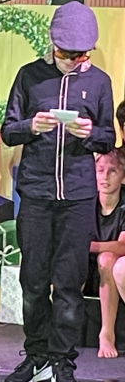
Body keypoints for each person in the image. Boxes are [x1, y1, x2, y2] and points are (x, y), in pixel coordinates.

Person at [1, 1, 115, 382]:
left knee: (68, 283)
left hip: (78, 197)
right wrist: (32, 126)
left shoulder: (99, 82)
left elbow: (108, 137)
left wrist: (91, 134)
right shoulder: (29, 76)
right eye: (68, 54)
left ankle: (62, 360)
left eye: (82, 55)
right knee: (33, 281)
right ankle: (36, 355)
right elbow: (8, 131)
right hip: (36, 193)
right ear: (53, 45)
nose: (75, 61)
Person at [86, 148, 125, 358]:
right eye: (100, 170)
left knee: (107, 258)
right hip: (87, 268)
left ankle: (107, 333)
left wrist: (90, 246)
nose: (105, 177)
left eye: (112, 171)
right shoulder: (85, 202)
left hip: (112, 272)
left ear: (123, 175)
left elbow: (122, 247)